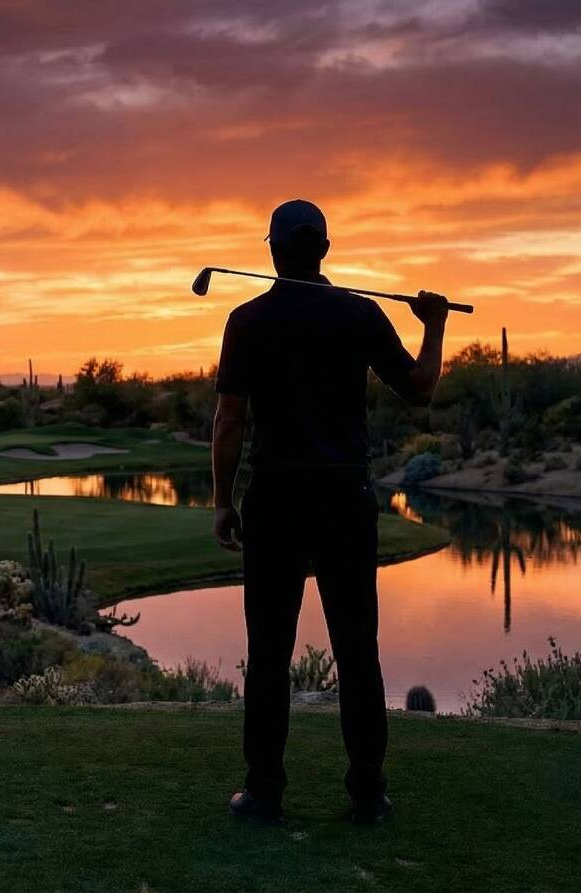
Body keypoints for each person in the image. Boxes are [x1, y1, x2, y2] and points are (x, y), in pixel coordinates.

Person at [210, 199, 448, 824]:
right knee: (356, 650)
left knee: (268, 651)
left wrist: (220, 502)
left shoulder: (247, 320)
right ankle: (367, 793)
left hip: (276, 500)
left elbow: (229, 420)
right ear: (325, 249)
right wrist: (435, 323)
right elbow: (421, 391)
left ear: (271, 250)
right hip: (346, 499)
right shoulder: (360, 314)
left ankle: (264, 793)